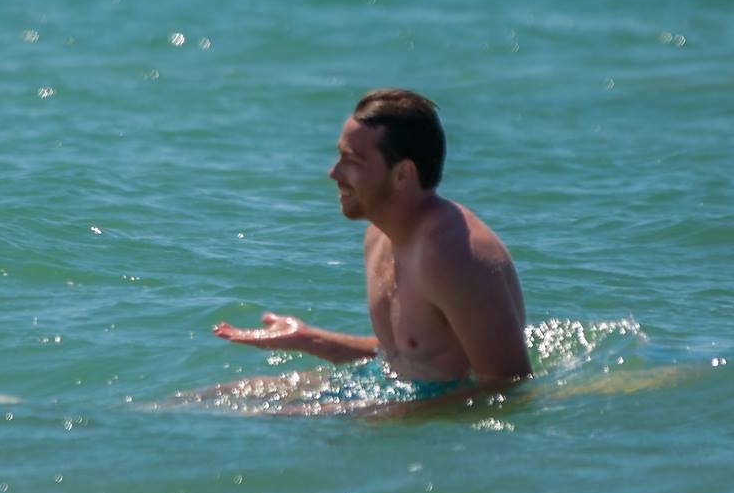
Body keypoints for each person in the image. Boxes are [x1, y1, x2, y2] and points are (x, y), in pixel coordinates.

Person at [212, 89, 529, 401]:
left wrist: (382, 419)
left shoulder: (457, 257)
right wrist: (308, 339)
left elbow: (508, 389)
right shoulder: (378, 237)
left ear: (402, 175)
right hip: (388, 387)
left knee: (270, 423)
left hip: (433, 431)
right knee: (207, 401)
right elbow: (407, 354)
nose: (333, 173)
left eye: (352, 161)